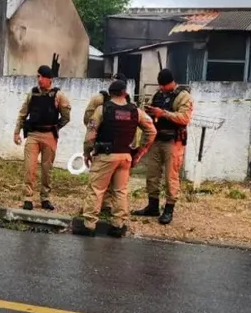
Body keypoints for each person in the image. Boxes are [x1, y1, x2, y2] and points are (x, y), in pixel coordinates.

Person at [72, 79, 156, 237]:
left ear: (110, 94)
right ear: (125, 93)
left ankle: (89, 224)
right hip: (125, 156)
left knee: (96, 189)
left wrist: (86, 153)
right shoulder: (135, 111)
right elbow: (152, 131)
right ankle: (118, 225)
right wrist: (140, 152)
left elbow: (90, 134)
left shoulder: (103, 109)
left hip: (105, 156)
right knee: (120, 191)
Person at [132, 69, 193, 225]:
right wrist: (149, 113)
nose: (161, 88)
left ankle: (169, 209)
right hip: (156, 140)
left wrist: (163, 113)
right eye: (160, 85)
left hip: (173, 141)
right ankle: (152, 206)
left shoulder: (183, 96)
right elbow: (152, 111)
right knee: (152, 174)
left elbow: (184, 118)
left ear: (170, 82)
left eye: (163, 85)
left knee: (171, 177)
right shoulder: (157, 95)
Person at [14, 65, 71, 211]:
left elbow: (66, 116)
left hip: (49, 136)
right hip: (33, 135)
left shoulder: (58, 95)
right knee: (29, 168)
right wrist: (16, 132)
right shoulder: (32, 94)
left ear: (49, 79)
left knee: (47, 170)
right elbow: (22, 114)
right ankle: (28, 198)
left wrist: (56, 128)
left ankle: (45, 198)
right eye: (38, 77)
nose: (39, 80)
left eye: (41, 77)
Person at [83, 72, 133, 214]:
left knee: (100, 183)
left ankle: (95, 215)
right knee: (117, 187)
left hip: (108, 149)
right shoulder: (127, 104)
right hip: (119, 148)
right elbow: (88, 119)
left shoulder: (105, 101)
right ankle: (112, 213)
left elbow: (89, 121)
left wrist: (90, 142)